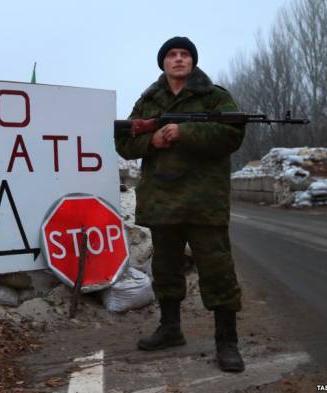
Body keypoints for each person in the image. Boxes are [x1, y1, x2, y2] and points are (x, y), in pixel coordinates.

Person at [115, 36, 246, 372]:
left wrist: (184, 132)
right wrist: (153, 140)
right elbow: (124, 142)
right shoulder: (149, 99)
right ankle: (170, 329)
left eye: (184, 54)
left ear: (193, 61)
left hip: (205, 203)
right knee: (166, 271)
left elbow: (232, 135)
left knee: (218, 272)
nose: (178, 59)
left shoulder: (215, 96)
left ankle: (227, 342)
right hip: (163, 202)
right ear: (163, 62)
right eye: (172, 55)